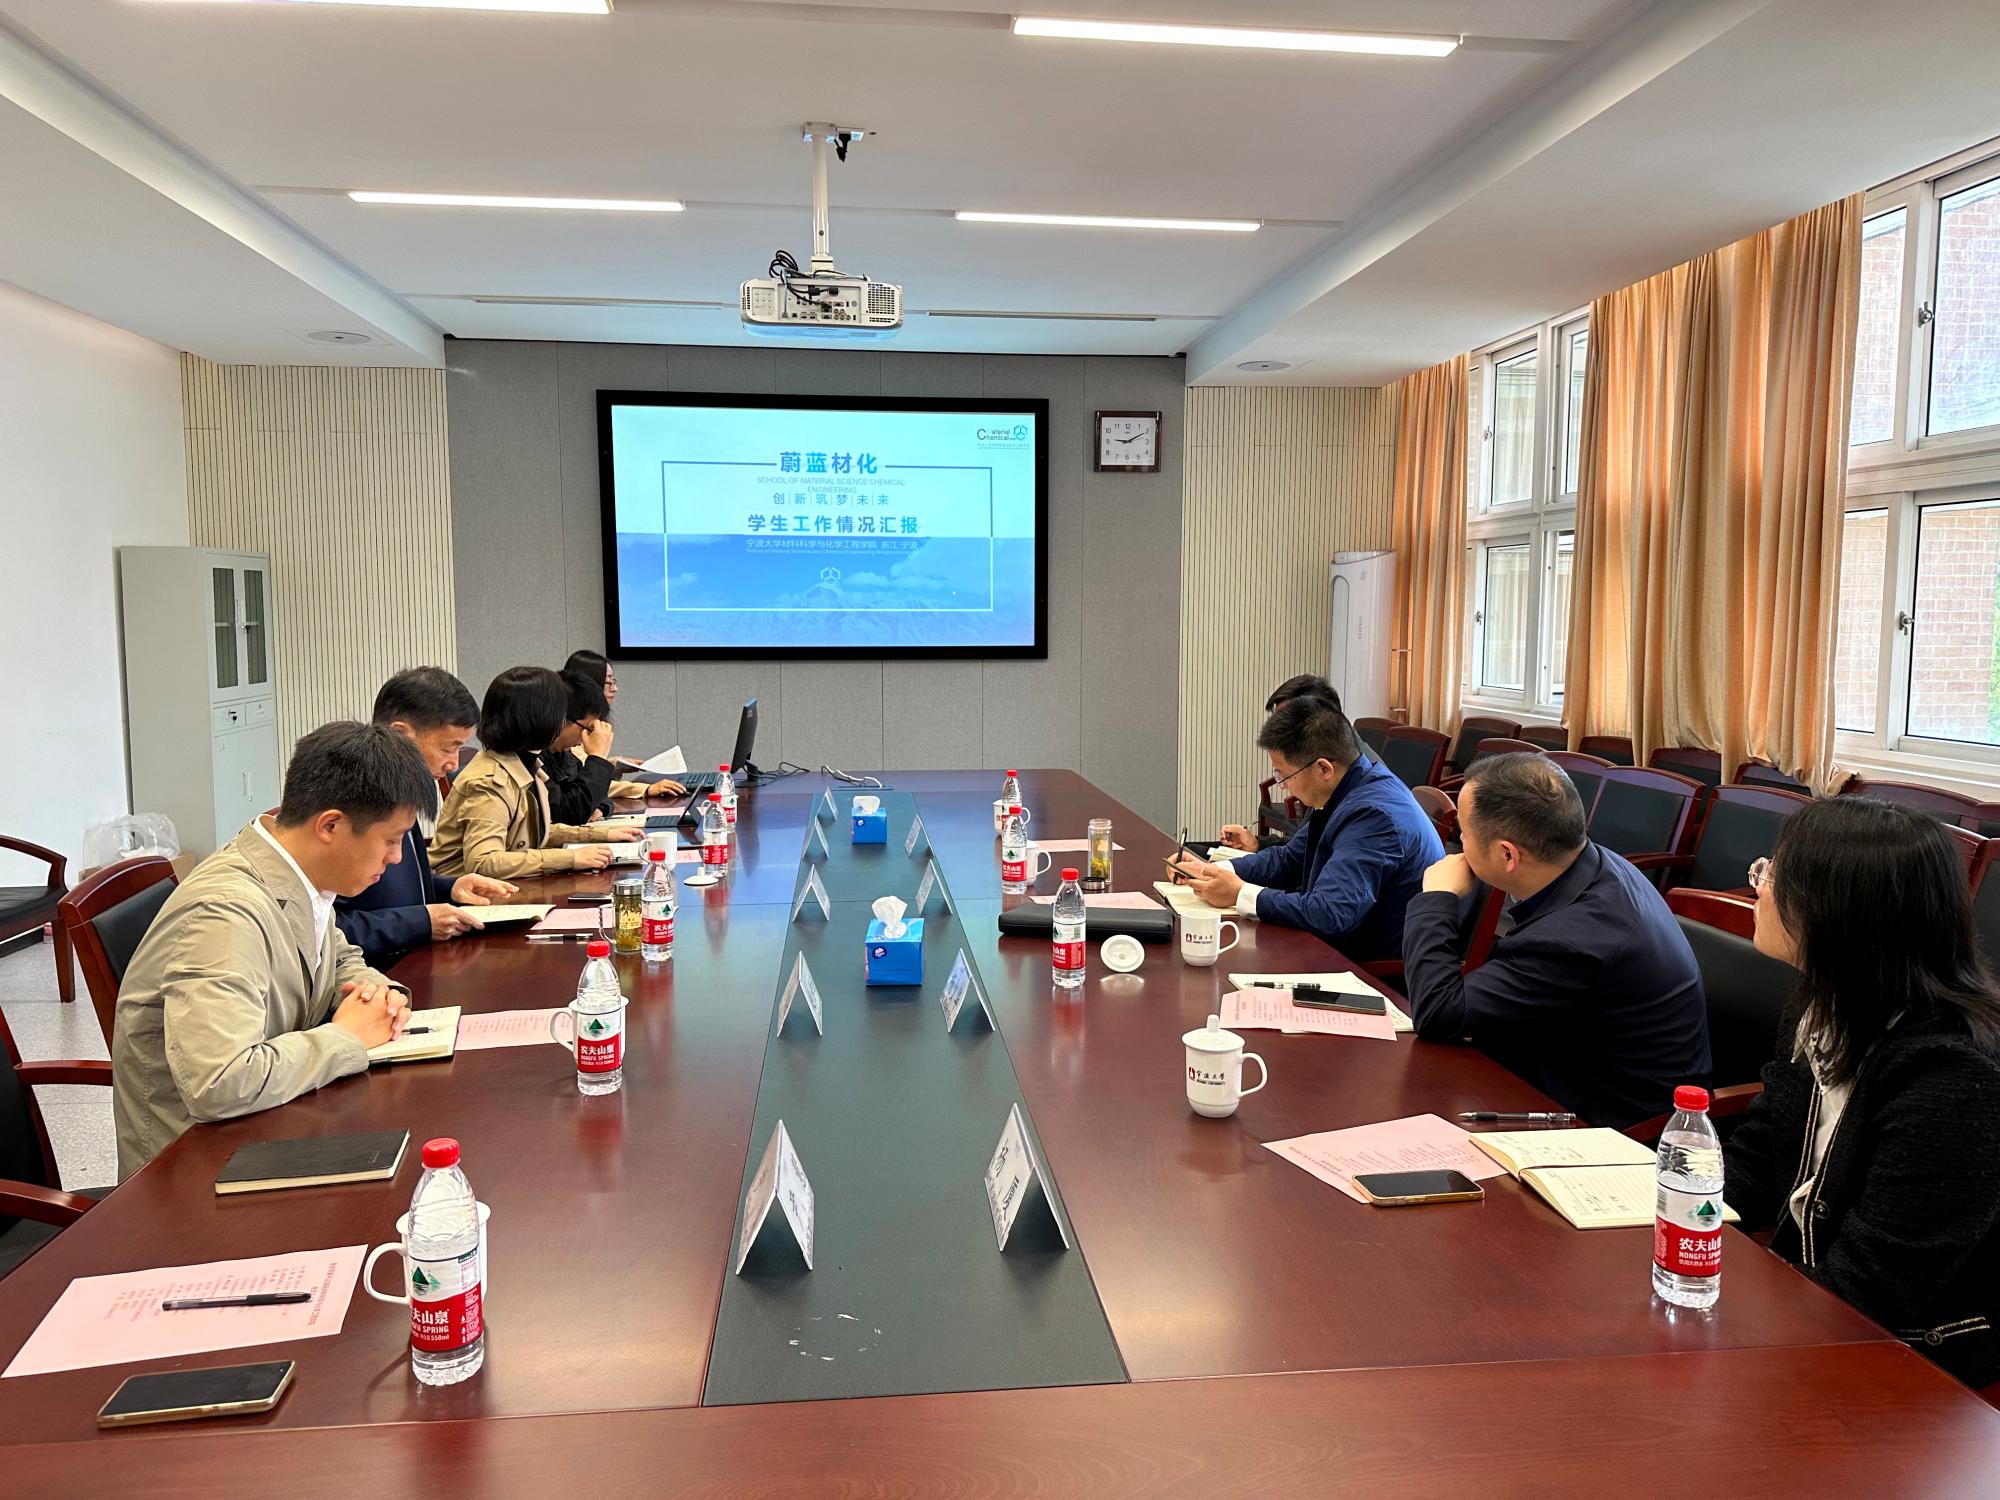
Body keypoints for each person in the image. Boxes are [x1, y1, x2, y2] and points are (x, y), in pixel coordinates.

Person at [1724, 797, 2000, 1385]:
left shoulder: (1956, 1077)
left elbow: (1876, 1289)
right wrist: (1673, 1222)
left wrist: (1730, 1331)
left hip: (1910, 1359)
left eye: (1772, 874)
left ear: (1833, 912)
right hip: (1803, 1298)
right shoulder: (1821, 1002)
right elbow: (1759, 1149)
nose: (1757, 887)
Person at [111, 722, 430, 1179]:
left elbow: (337, 957)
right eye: (391, 839)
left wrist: (378, 996)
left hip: (267, 1125)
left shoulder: (299, 872)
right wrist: (349, 1037)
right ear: (331, 826)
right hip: (195, 1173)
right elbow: (219, 1082)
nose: (396, 857)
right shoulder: (226, 912)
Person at [1401, 752, 1709, 1130]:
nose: (1459, 842)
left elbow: (1437, 1014)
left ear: (1508, 854)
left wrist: (1436, 898)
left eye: (1463, 832)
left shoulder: (1571, 941)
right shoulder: (1595, 864)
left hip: (1605, 1128)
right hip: (1561, 1070)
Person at [1169, 697, 1442, 961]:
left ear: (1323, 769)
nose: (1282, 786)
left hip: (1370, 969)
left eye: (1284, 776)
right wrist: (1213, 871)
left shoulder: (1374, 816)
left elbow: (1331, 913)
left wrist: (1240, 893)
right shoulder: (1347, 787)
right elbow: (1290, 858)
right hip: (1339, 946)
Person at [334, 667, 517, 967]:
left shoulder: (401, 787)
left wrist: (450, 888)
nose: (453, 764)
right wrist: (420, 921)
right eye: (447, 748)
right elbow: (328, 929)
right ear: (400, 734)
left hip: (416, 959)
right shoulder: (351, 804)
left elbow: (395, 885)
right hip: (371, 976)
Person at [429, 666, 642, 880]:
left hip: (504, 886)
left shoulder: (526, 763)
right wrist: (570, 858)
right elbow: (484, 862)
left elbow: (535, 832)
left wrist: (599, 835)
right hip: (463, 893)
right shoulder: (489, 780)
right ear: (541, 719)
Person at [561, 650, 685, 807]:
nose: (615, 688)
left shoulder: (585, 722)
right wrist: (645, 789)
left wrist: (615, 765)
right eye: (609, 682)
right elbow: (588, 784)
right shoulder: (569, 731)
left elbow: (586, 770)